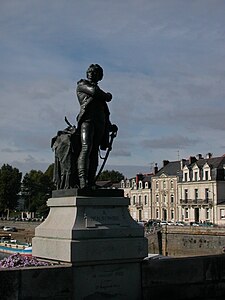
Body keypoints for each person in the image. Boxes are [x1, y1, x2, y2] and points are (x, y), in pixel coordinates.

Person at [76, 64, 117, 189]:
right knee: (86, 147)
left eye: (95, 72)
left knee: (94, 151)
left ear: (100, 76)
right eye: (90, 71)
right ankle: (82, 180)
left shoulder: (99, 97)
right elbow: (94, 91)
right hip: (87, 121)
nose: (91, 74)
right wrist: (108, 95)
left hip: (100, 123)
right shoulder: (82, 85)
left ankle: (91, 181)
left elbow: (104, 112)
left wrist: (110, 126)